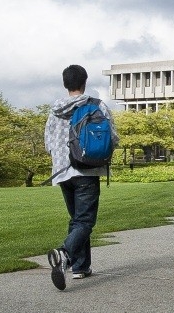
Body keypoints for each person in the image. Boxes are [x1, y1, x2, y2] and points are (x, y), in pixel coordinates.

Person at [44, 64, 119, 291]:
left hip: (63, 173)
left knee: (77, 220)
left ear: (65, 83)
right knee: (85, 222)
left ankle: (80, 267)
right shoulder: (96, 106)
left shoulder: (55, 110)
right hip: (87, 170)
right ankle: (64, 254)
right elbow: (112, 137)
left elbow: (48, 143)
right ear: (84, 82)